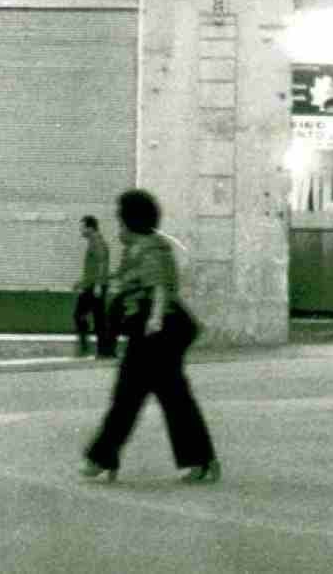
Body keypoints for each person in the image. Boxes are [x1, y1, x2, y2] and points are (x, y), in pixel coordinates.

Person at [80, 189, 220, 484]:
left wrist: (154, 319)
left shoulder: (149, 249)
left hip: (156, 332)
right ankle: (201, 461)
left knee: (129, 396)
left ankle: (102, 458)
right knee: (171, 398)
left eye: (120, 220)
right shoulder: (139, 249)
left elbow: (158, 287)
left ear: (131, 221)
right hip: (156, 332)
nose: (118, 226)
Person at [73, 215, 114, 359]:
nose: (81, 230)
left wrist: (97, 285)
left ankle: (88, 349)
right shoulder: (94, 241)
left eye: (82, 227)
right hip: (93, 285)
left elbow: (102, 263)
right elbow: (94, 267)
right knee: (98, 318)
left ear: (90, 228)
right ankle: (103, 351)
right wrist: (81, 282)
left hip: (95, 287)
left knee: (81, 315)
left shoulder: (96, 241)